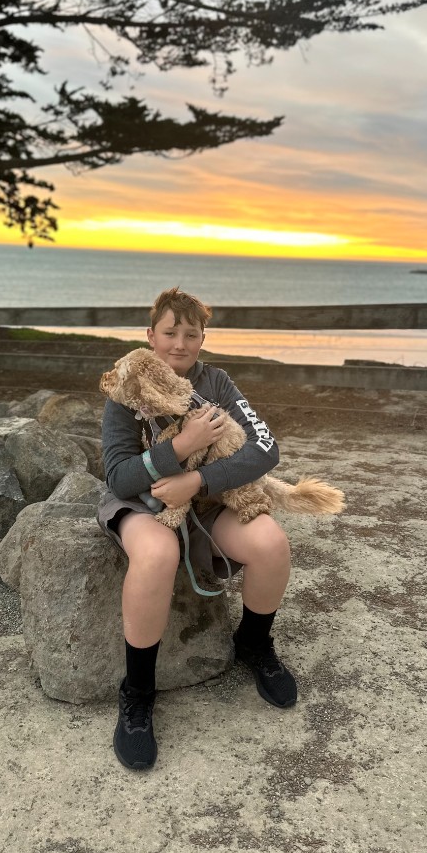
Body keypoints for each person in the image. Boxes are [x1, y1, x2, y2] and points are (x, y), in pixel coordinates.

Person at [98, 287, 295, 771]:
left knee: (271, 542)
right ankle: (138, 693)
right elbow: (119, 475)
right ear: (151, 335)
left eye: (191, 334)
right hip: (143, 504)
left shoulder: (218, 383)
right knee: (159, 554)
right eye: (170, 333)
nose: (179, 344)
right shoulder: (129, 387)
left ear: (203, 340)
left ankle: (254, 643)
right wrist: (182, 444)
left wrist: (198, 480)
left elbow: (264, 450)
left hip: (208, 501)